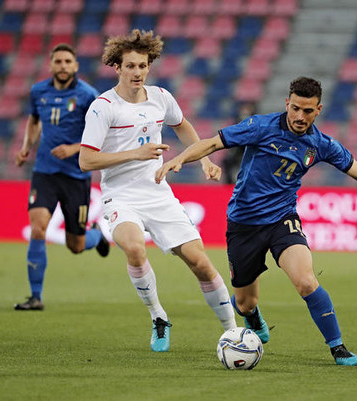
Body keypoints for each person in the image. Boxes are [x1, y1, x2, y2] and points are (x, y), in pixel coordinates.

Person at [155, 76, 357, 366]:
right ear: (287, 104)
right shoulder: (260, 127)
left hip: (282, 219)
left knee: (305, 281)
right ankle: (254, 318)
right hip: (243, 224)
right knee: (244, 303)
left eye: (308, 111)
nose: (300, 117)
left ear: (319, 110)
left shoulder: (322, 144)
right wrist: (180, 160)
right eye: (296, 109)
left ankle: (338, 348)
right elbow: (213, 144)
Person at [78, 30, 236, 352]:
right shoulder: (103, 107)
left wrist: (203, 160)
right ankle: (158, 317)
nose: (137, 72)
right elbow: (86, 160)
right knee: (135, 248)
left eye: (143, 66)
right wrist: (133, 154)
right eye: (131, 66)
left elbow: (183, 126)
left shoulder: (161, 97)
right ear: (117, 67)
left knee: (200, 262)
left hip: (158, 193)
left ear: (150, 66)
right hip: (120, 195)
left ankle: (233, 332)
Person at [14, 43, 110, 311]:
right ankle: (35, 297)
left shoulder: (88, 95)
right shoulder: (38, 91)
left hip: (76, 176)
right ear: (51, 65)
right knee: (38, 228)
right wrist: (26, 147)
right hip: (44, 172)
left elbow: (101, 134)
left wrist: (75, 148)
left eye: (68, 61)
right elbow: (34, 122)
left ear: (76, 65)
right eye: (58, 61)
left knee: (76, 245)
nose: (63, 66)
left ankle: (96, 236)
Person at [222, 102, 256, 184]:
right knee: (227, 161)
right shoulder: (237, 121)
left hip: (252, 149)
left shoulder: (256, 122)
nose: (245, 112)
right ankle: (229, 184)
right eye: (243, 109)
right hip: (239, 148)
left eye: (247, 109)